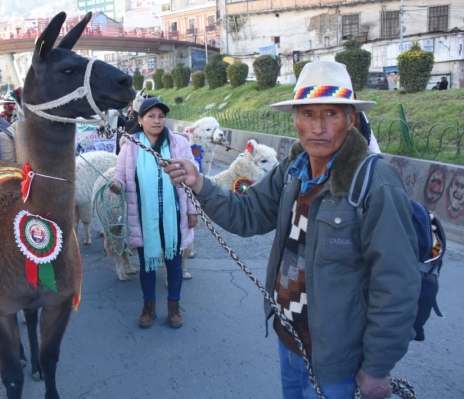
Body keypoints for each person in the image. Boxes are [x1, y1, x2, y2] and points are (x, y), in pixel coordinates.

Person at [163, 61, 420, 399]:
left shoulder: (376, 184)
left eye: (331, 113)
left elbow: (396, 284)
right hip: (289, 342)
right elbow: (247, 213)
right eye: (308, 114)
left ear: (351, 120)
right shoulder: (292, 171)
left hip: (338, 364)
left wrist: (377, 367)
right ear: (295, 119)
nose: (318, 127)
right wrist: (199, 184)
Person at [109, 98, 198, 329]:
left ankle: (174, 306)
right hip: (143, 215)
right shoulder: (130, 144)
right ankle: (148, 307)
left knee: (175, 262)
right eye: (150, 116)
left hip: (174, 215)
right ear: (140, 120)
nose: (156, 120)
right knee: (147, 263)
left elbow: (191, 179)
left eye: (160, 116)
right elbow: (120, 174)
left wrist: (192, 210)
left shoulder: (179, 143)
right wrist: (116, 184)